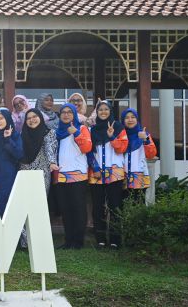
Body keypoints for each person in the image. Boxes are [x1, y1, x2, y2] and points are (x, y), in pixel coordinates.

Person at [87, 100, 128, 249]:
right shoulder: (92, 130)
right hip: (96, 173)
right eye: (100, 110)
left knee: (115, 206)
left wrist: (111, 137)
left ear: (111, 111)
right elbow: (89, 152)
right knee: (98, 207)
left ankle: (115, 240)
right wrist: (95, 168)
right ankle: (101, 239)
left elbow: (122, 148)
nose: (103, 112)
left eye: (106, 109)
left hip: (114, 173)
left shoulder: (118, 128)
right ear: (96, 112)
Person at [19, 108, 58, 248]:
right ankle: (25, 241)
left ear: (40, 117)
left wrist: (52, 162)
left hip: (42, 174)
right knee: (23, 205)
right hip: (24, 172)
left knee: (39, 206)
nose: (32, 120)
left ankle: (38, 239)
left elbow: (50, 149)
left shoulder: (49, 132)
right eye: (28, 118)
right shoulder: (23, 134)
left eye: (34, 116)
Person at [54, 103, 92, 250]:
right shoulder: (58, 132)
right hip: (62, 175)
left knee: (78, 208)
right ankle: (68, 240)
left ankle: (78, 241)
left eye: (69, 112)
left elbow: (87, 148)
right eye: (63, 112)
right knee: (66, 209)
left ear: (74, 114)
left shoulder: (82, 128)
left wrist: (76, 133)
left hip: (78, 175)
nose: (66, 115)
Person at [121, 108, 157, 203]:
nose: (130, 120)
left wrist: (145, 139)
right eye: (127, 118)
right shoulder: (120, 136)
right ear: (123, 120)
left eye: (133, 117)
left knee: (138, 204)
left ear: (137, 119)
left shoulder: (144, 134)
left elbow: (151, 154)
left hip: (139, 177)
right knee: (123, 206)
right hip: (123, 177)